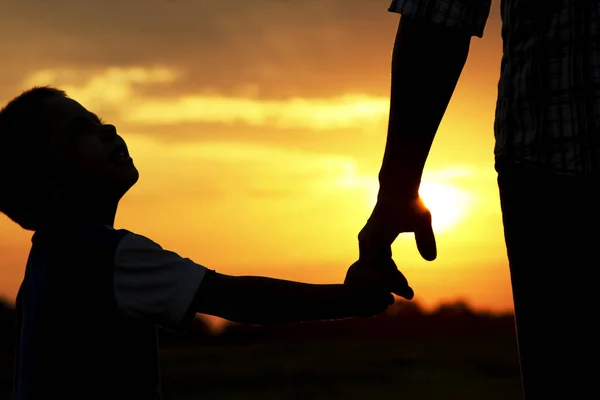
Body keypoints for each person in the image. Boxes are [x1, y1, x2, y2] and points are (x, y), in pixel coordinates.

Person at [0, 87, 400, 400]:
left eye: (97, 120)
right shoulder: (106, 256)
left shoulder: (46, 263)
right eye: (81, 130)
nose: (108, 129)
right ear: (50, 184)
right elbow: (238, 299)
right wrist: (350, 300)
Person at [349, 1, 600, 398]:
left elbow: (439, 14)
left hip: (551, 165)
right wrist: (397, 187)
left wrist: (397, 187)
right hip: (549, 167)